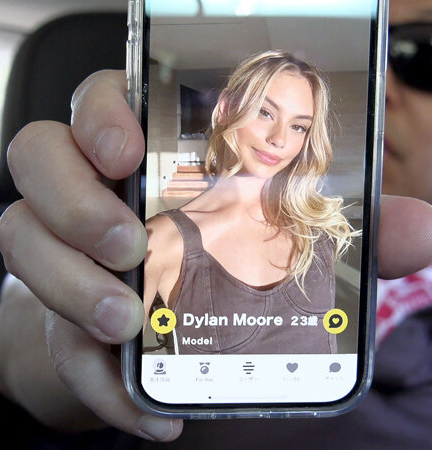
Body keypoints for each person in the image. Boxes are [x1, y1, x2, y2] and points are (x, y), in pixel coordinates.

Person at [0, 0, 432, 447]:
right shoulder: (158, 234)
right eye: (267, 107)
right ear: (230, 108)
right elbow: (24, 333)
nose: (381, 81)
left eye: (428, 54)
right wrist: (70, 314)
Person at [145, 50, 353, 355]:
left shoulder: (319, 230)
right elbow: (108, 361)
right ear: (225, 108)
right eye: (264, 112)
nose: (279, 139)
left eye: (298, 126)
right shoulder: (163, 239)